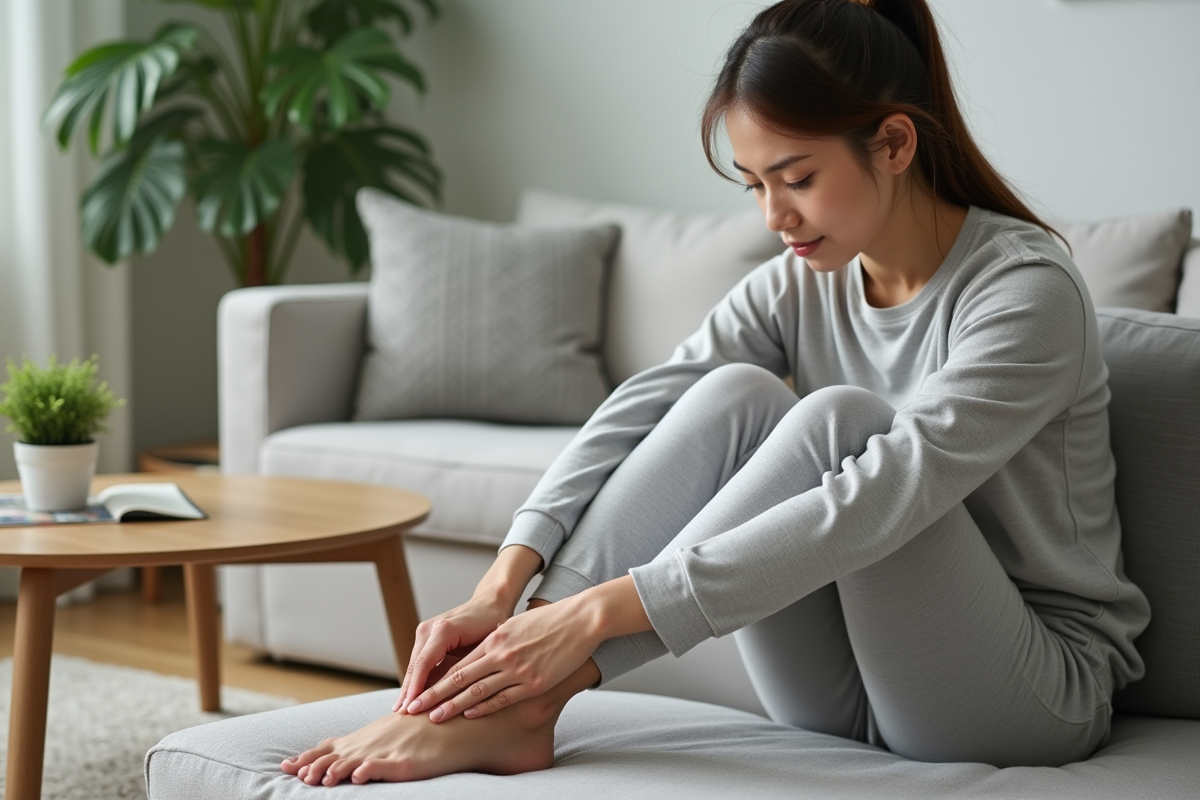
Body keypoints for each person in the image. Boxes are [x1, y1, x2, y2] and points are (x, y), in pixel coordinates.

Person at [282, 0, 1150, 786]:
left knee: (844, 422)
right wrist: (502, 590)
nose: (774, 216)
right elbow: (643, 406)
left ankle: (527, 699)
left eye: (797, 178)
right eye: (755, 184)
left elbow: (890, 492)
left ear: (893, 144)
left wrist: (594, 616)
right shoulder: (799, 283)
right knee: (733, 390)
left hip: (1026, 695)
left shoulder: (1024, 291)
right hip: (843, 692)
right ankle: (505, 692)